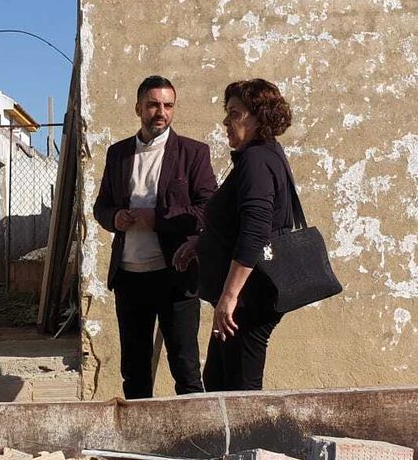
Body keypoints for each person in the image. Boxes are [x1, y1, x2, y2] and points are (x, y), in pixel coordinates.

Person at [93, 76, 218, 398]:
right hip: (129, 278)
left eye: (168, 105)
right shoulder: (118, 154)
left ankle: (194, 429)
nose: (161, 112)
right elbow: (101, 207)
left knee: (185, 368)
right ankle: (138, 429)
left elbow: (208, 210)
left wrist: (158, 219)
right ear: (138, 108)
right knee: (134, 371)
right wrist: (115, 218)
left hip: (175, 276)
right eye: (153, 105)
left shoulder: (193, 153)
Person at [173, 79, 294, 392]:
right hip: (243, 299)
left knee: (240, 391)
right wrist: (201, 242)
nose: (226, 121)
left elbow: (255, 230)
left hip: (248, 300)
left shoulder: (256, 160)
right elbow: (238, 222)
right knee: (218, 382)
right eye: (227, 113)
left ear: (258, 118)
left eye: (235, 113)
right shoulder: (260, 155)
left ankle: (250, 429)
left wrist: (230, 296)